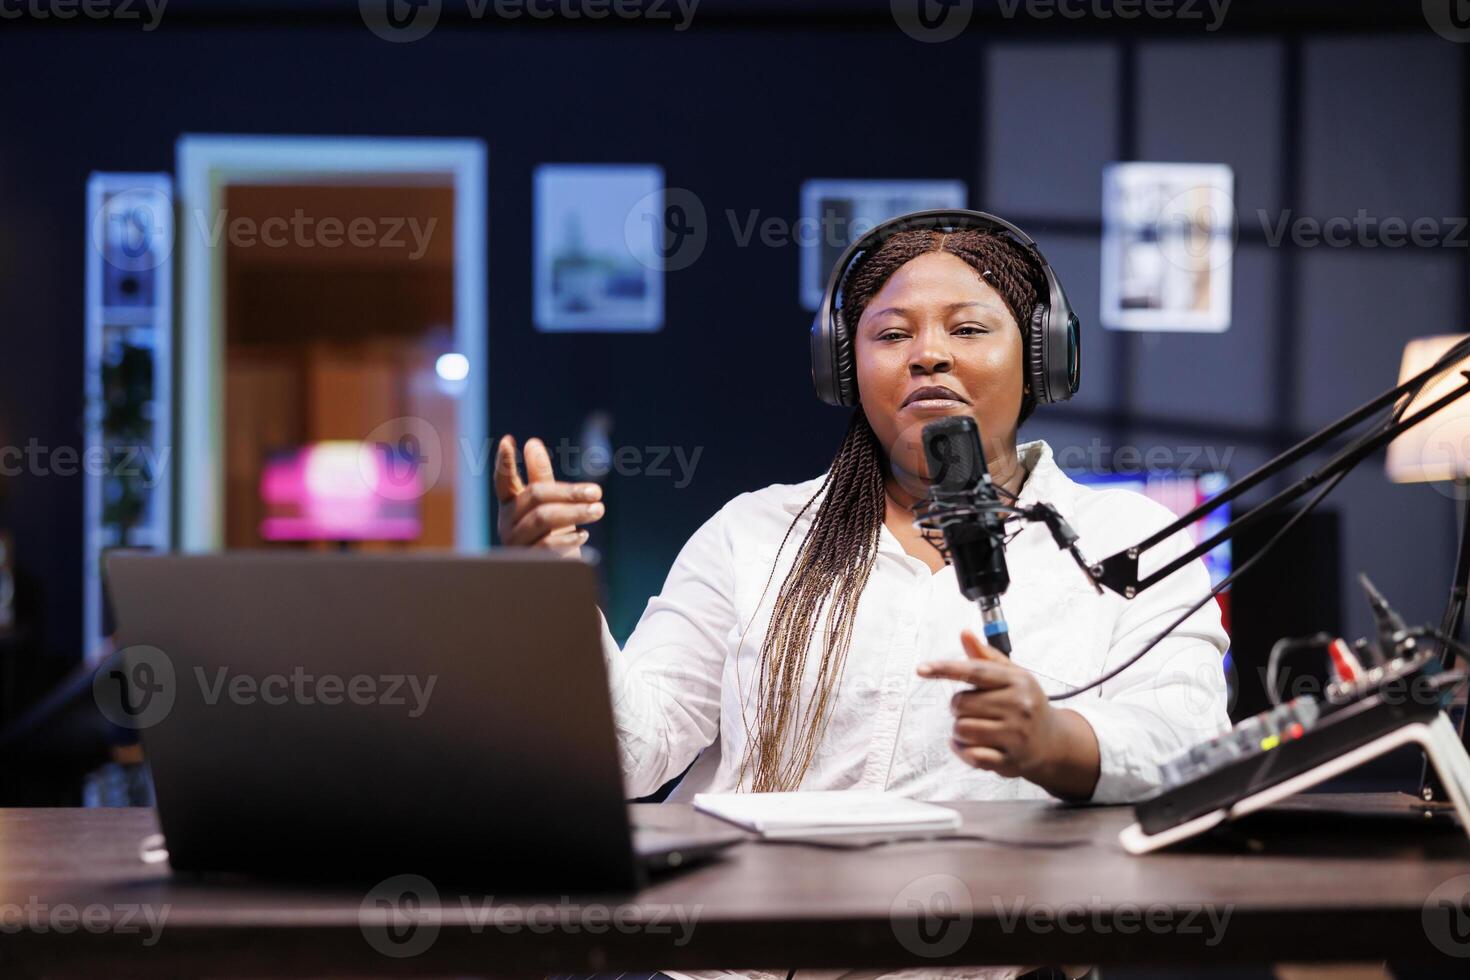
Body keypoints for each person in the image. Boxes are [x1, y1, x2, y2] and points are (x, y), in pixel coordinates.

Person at [499, 215, 1230, 980]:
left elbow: (1190, 743)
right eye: (890, 335)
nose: (930, 355)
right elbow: (632, 756)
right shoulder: (753, 534)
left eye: (970, 328)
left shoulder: (1128, 539)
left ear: (1043, 359)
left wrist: (1055, 741)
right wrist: (550, 590)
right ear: (843, 369)